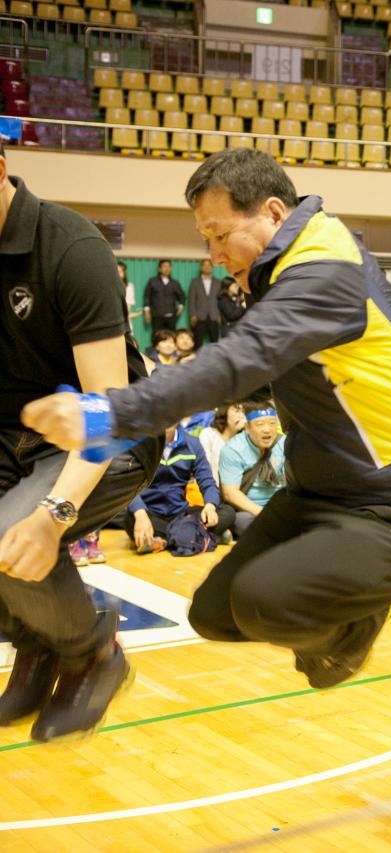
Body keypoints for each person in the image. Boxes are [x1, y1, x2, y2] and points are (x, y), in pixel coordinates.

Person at [22, 148, 391, 690]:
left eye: (218, 235)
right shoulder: (288, 268)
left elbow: (241, 359)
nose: (212, 255)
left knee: (265, 606)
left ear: (275, 213)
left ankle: (360, 615)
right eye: (205, 240)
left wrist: (111, 412)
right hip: (324, 496)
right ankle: (350, 614)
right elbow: (261, 368)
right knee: (211, 614)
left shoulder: (326, 267)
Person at [0, 149, 160, 742]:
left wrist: (52, 515)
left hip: (109, 433)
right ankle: (36, 649)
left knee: (14, 536)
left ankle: (93, 654)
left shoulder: (71, 247)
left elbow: (106, 410)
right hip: (11, 436)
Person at [127, 423, 234, 553]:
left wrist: (210, 506)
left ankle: (168, 540)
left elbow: (207, 482)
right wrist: (140, 513)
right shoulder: (139, 445)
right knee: (130, 519)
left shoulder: (193, 444)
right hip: (150, 513)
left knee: (228, 512)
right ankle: (202, 537)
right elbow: (128, 486)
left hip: (180, 513)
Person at [218, 404, 286, 536]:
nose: (267, 429)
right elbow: (230, 493)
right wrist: (264, 513)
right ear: (247, 427)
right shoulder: (233, 449)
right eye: (260, 424)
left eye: (272, 423)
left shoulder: (283, 443)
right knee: (247, 524)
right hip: (248, 511)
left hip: (279, 506)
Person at [198, 402, 246, 489]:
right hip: (212, 490)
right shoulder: (209, 434)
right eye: (237, 411)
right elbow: (205, 469)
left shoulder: (244, 439)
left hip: (238, 491)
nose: (242, 416)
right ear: (224, 412)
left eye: (244, 412)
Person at [143, 258, 184, 342]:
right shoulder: (152, 281)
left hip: (171, 316)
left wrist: (181, 306)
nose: (167, 268)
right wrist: (146, 311)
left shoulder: (175, 283)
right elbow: (147, 296)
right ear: (159, 269)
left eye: (169, 266)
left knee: (172, 336)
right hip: (157, 315)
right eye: (164, 266)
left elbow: (182, 296)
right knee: (156, 336)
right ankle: (154, 354)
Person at [187, 258, 222, 347]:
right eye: (204, 265)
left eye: (209, 265)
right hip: (199, 316)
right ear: (201, 267)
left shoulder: (218, 282)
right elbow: (191, 299)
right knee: (197, 343)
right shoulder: (195, 281)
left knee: (215, 343)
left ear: (212, 267)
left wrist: (220, 315)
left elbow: (221, 300)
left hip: (214, 316)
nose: (207, 267)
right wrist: (192, 314)